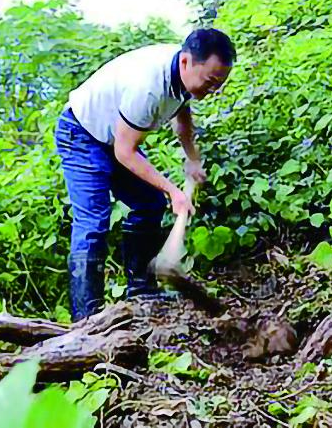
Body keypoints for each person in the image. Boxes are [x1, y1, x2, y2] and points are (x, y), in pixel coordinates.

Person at [54, 28, 235, 321]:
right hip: (81, 133)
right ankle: (85, 318)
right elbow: (125, 153)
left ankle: (140, 290)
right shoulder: (149, 86)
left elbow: (182, 115)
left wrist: (192, 158)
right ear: (187, 62)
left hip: (114, 137)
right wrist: (174, 192)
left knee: (149, 203)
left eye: (219, 85)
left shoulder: (184, 74)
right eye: (210, 82)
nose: (212, 90)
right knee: (93, 221)